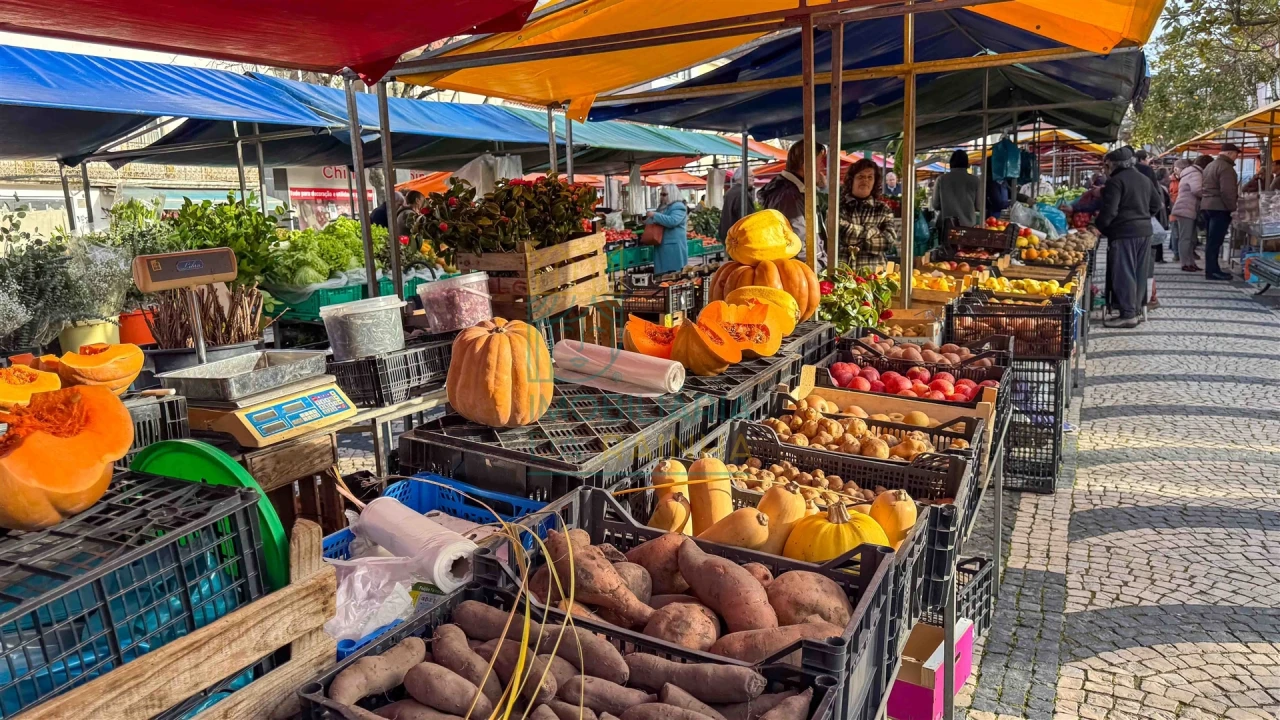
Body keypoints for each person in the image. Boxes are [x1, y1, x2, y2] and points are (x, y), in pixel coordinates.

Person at [1096, 147, 1164, 328]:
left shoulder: (1115, 181)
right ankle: (1134, 311)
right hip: (1144, 232)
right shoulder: (1144, 179)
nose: (1105, 168)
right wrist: (1141, 217)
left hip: (1124, 233)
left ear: (1113, 164)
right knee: (1139, 273)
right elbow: (1157, 204)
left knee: (1123, 273)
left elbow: (1110, 211)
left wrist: (1098, 227)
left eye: (1106, 164)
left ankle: (1127, 315)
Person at [760, 142, 828, 263]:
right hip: (805, 270)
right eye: (819, 164)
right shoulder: (789, 196)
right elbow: (798, 246)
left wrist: (822, 190)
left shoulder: (797, 191)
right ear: (806, 165)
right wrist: (818, 268)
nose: (822, 168)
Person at [837, 158, 899, 269]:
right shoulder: (839, 207)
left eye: (870, 177)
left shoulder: (883, 209)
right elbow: (841, 234)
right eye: (860, 176)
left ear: (875, 182)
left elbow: (888, 242)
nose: (865, 180)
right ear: (852, 180)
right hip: (843, 274)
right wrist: (874, 231)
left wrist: (854, 239)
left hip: (874, 276)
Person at [1200, 142, 1240, 280]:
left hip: (1207, 205)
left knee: (1211, 241)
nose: (1236, 158)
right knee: (1215, 241)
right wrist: (1233, 209)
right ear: (1230, 153)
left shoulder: (1210, 165)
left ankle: (1211, 269)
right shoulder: (1226, 168)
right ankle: (1212, 271)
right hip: (1219, 207)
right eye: (1235, 155)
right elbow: (1227, 191)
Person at [1170, 156, 1206, 272]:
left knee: (1190, 238)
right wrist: (1207, 195)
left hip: (1186, 209)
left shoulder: (1189, 173)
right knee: (1186, 238)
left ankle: (1190, 262)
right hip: (1186, 209)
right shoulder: (1195, 174)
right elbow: (1197, 190)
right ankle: (1185, 263)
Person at [645, 184, 689, 275]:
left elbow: (673, 221)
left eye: (664, 194)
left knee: (674, 274)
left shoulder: (678, 206)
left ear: (672, 194)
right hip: (663, 244)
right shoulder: (663, 206)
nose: (662, 197)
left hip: (673, 246)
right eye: (661, 194)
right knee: (663, 274)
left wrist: (654, 215)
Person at [931, 149, 982, 227]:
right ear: (967, 164)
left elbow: (935, 205)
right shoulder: (975, 180)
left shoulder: (941, 179)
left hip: (947, 226)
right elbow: (979, 206)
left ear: (951, 163)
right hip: (968, 226)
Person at [718, 167, 754, 241]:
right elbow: (749, 219)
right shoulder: (743, 193)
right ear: (742, 177)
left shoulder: (730, 192)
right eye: (751, 176)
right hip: (739, 240)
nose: (753, 179)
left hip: (729, 237)